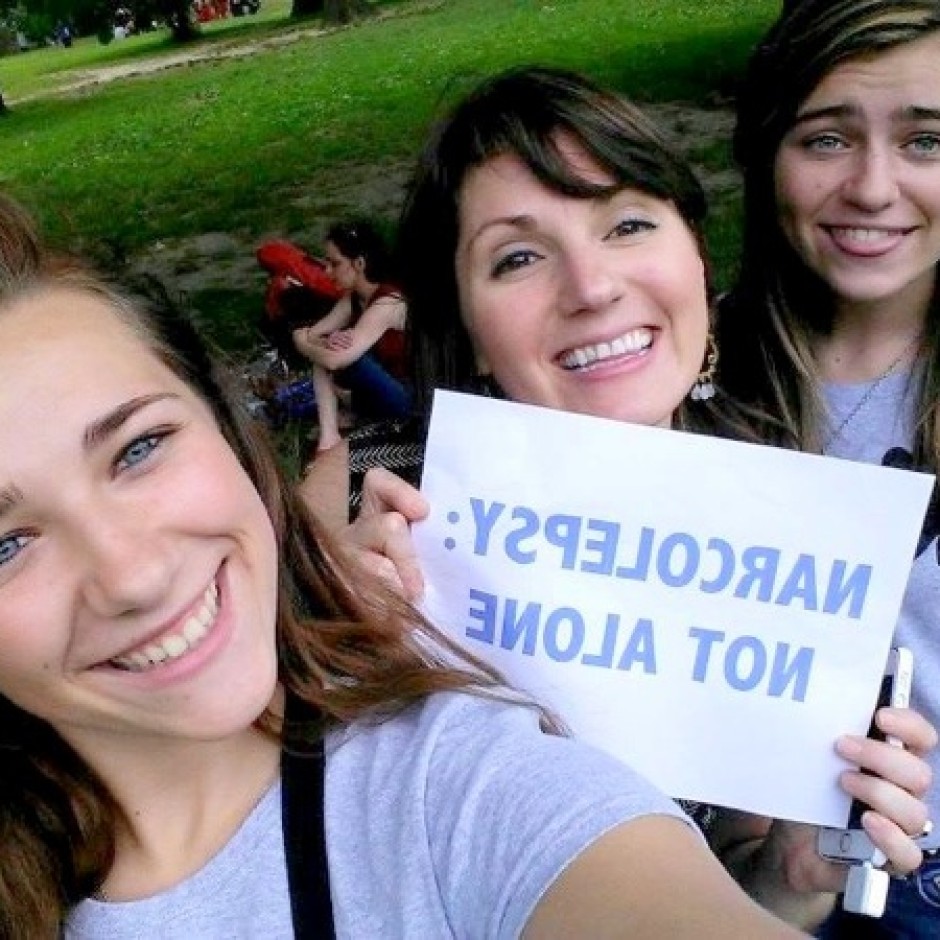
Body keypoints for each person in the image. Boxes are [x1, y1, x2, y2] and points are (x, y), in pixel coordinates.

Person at [0, 192, 821, 939]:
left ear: (230, 434)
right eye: (6, 544)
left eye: (139, 448)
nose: (133, 577)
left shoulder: (450, 787)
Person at [297, 66, 935, 931]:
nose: (592, 287)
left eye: (628, 224)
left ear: (697, 260)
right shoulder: (371, 509)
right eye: (518, 256)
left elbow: (740, 899)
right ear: (467, 323)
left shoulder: (772, 517)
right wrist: (329, 647)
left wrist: (794, 868)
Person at [714, 2, 940, 934]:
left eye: (926, 140)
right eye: (827, 138)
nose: (873, 187)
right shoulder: (688, 376)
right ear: (768, 155)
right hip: (799, 885)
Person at [292, 220, 411, 455]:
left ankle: (330, 436)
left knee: (331, 357)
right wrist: (315, 341)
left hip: (408, 400)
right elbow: (311, 334)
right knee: (326, 352)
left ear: (359, 263)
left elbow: (334, 359)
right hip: (375, 393)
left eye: (335, 264)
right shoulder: (353, 300)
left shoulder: (388, 303)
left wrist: (310, 343)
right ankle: (330, 435)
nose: (327, 271)